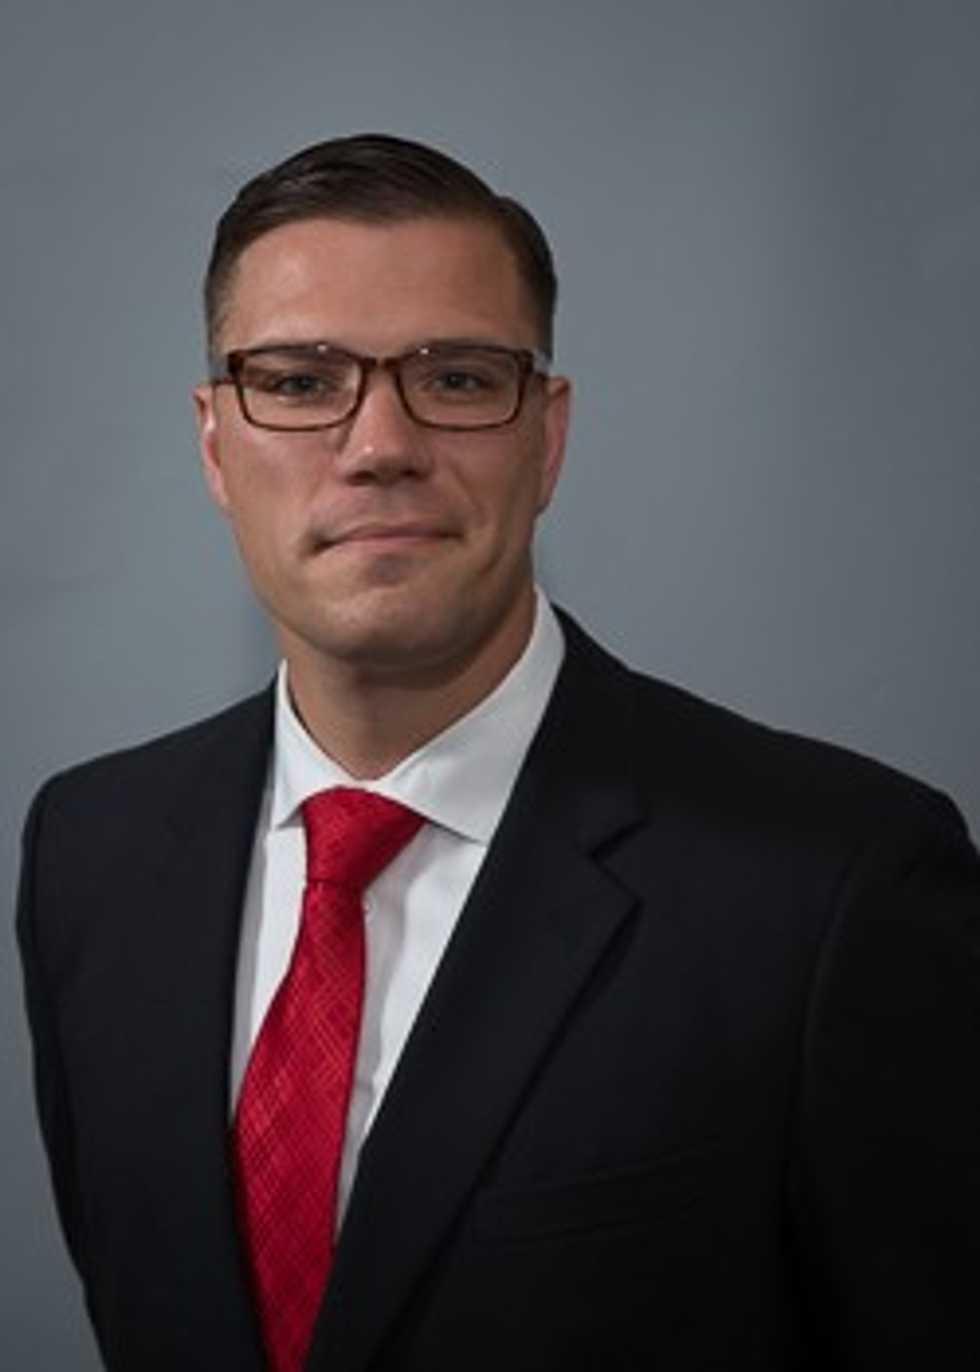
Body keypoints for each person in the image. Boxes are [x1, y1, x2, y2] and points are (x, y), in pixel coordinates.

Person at [16, 133, 980, 1372]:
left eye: (459, 378)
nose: (378, 444)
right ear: (214, 445)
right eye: (300, 382)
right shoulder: (86, 854)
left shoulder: (834, 885)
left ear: (546, 437)